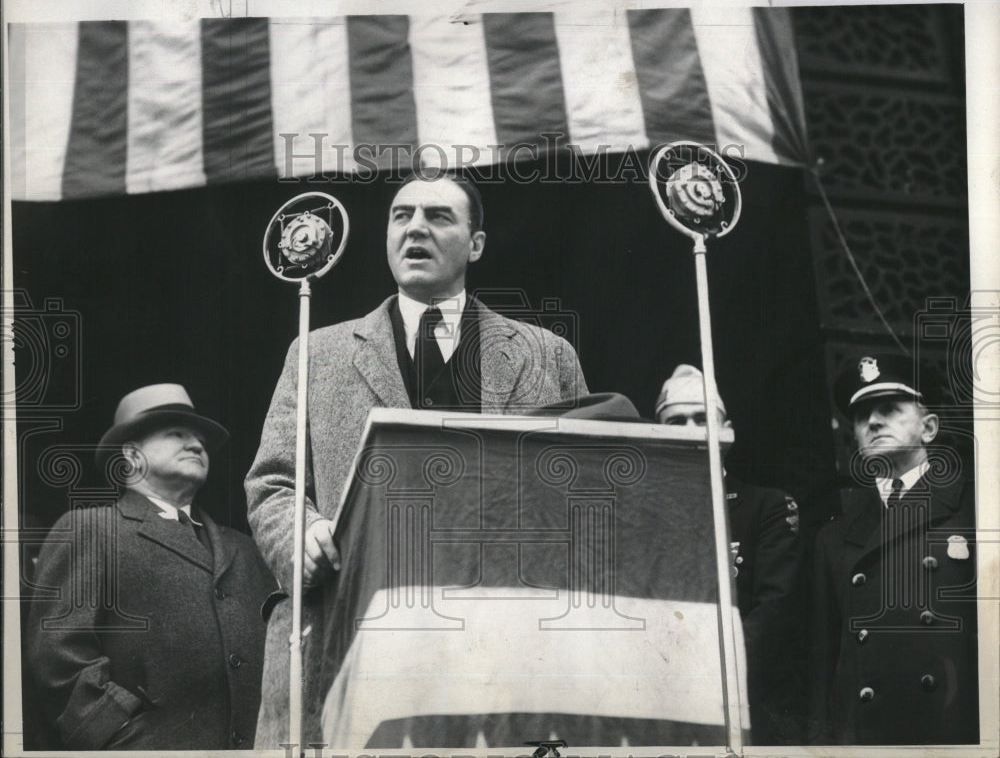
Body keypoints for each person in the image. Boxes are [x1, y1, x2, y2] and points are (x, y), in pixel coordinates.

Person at [246, 171, 589, 746]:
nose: (415, 229)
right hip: (351, 636)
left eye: (438, 216)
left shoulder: (545, 354)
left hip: (502, 645)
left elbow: (583, 485)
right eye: (401, 216)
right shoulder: (317, 353)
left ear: (476, 245)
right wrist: (300, 532)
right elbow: (274, 482)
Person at [27, 384, 276, 750]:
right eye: (177, 433)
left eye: (201, 440)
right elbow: (58, 659)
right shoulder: (92, 529)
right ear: (131, 454)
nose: (196, 445)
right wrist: (125, 739)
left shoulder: (246, 547)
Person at [808, 354, 977, 744]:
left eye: (888, 409)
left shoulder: (977, 508)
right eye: (862, 414)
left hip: (952, 733)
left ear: (929, 428)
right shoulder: (833, 536)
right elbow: (823, 667)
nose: (873, 422)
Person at [656, 364, 803, 744]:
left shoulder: (765, 508)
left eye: (702, 418)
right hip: (664, 703)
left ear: (726, 430)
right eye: (675, 422)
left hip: (741, 698)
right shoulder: (646, 518)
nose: (691, 431)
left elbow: (774, 609)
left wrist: (709, 672)